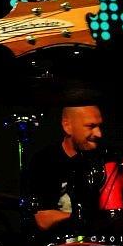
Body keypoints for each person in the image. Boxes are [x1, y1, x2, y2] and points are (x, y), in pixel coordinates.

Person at [24, 102, 104, 238]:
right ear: (67, 126)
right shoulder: (44, 161)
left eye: (99, 126)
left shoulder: (103, 160)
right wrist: (84, 218)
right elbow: (42, 219)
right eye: (90, 126)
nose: (99, 133)